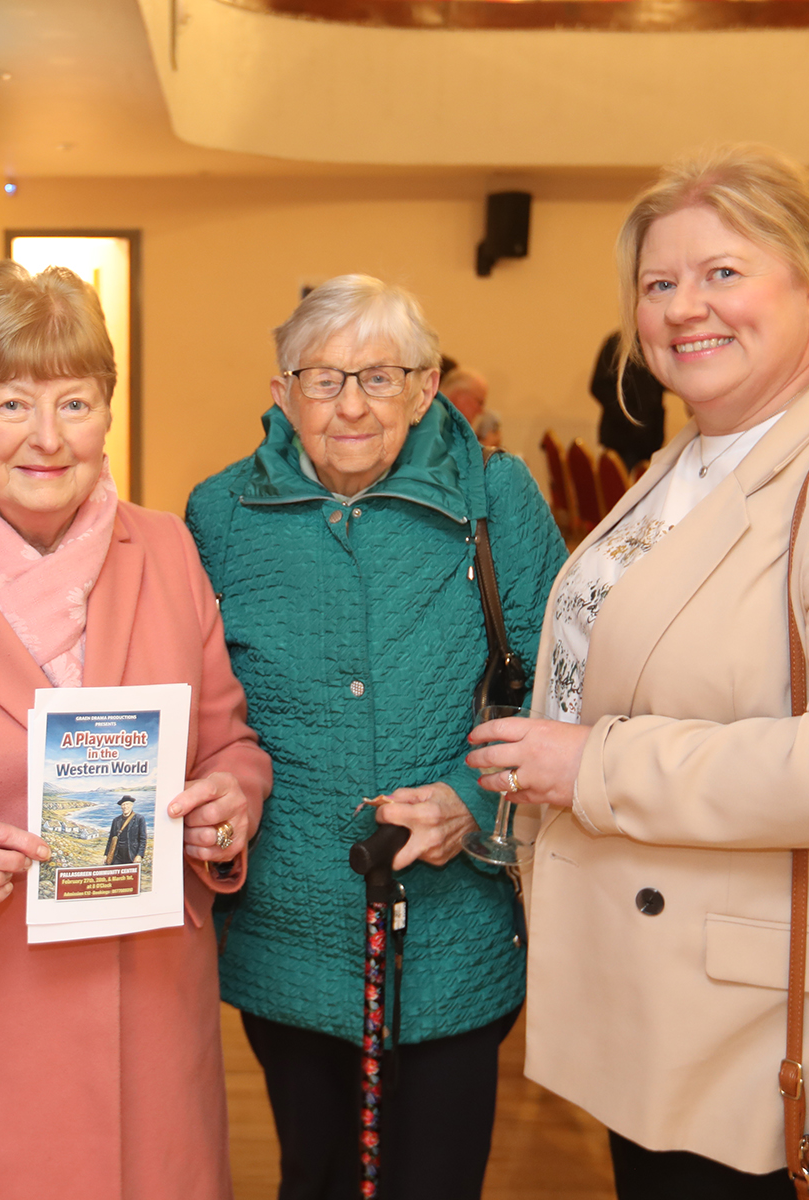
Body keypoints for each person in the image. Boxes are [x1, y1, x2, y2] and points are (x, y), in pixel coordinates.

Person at [470, 144, 809, 1198]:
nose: (684, 308)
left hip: (775, 1034)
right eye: (659, 284)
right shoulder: (691, 454)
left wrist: (594, 765)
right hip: (670, 1002)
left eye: (724, 272)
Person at [0, 261, 271, 1200]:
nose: (48, 437)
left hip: (155, 1025)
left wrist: (230, 803)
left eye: (75, 402)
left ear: (107, 413)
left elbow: (228, 744)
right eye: (11, 403)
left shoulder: (167, 551)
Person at [186, 275, 566, 1200]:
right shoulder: (219, 514)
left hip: (455, 929)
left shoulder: (496, 497)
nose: (351, 405)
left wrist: (470, 801)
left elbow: (563, 685)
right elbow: (199, 703)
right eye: (322, 379)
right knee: (313, 1173)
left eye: (380, 376)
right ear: (282, 395)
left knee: (437, 1177)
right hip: (288, 929)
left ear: (426, 387)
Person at [590, 330, 666, 468]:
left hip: (651, 437)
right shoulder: (617, 343)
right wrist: (627, 416)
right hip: (621, 436)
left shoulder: (654, 343)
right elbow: (599, 386)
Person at [105, 795, 147, 865]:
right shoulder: (116, 820)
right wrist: (106, 855)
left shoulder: (139, 819)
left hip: (132, 855)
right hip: (117, 856)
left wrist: (139, 855)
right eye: (123, 805)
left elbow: (143, 839)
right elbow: (111, 839)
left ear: (131, 805)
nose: (125, 807)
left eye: (127, 804)